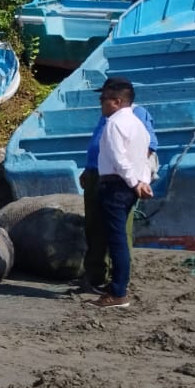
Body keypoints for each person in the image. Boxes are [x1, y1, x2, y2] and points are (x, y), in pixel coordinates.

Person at [79, 77, 159, 295]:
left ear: (118, 99)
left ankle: (119, 280)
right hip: (98, 174)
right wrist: (88, 168)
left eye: (104, 96)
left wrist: (136, 180)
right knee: (94, 226)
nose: (101, 100)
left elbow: (145, 148)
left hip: (119, 179)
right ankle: (96, 275)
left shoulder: (134, 115)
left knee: (118, 231)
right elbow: (99, 145)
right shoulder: (109, 116)